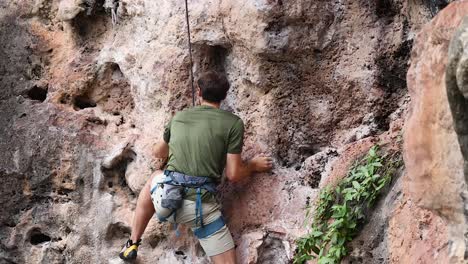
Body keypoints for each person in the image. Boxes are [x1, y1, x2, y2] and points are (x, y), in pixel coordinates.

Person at [119, 71, 272, 263]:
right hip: (201, 212)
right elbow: (233, 174)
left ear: (198, 92)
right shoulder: (234, 124)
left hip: (165, 199)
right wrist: (253, 166)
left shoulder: (180, 117)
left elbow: (159, 152)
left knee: (155, 177)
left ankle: (132, 243)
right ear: (224, 95)